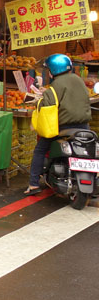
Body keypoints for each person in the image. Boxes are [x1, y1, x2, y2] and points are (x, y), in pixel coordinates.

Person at [25, 54, 91, 196]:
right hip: (84, 126)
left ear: (53, 70)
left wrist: (37, 102)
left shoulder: (56, 85)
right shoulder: (79, 80)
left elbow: (48, 105)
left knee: (40, 149)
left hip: (63, 127)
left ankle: (34, 184)